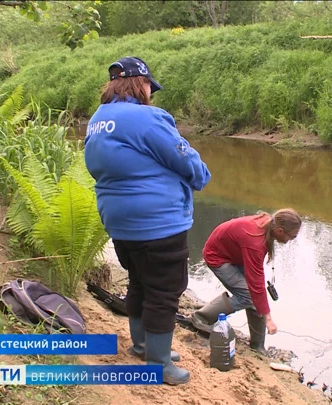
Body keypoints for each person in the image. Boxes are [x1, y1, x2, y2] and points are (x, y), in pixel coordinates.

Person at [84, 56, 211, 385]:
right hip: (158, 223)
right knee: (165, 292)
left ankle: (143, 345)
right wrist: (201, 176)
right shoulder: (148, 118)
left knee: (140, 282)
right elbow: (186, 160)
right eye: (149, 87)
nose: (150, 93)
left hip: (119, 223)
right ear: (139, 84)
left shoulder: (98, 119)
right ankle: (159, 364)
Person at [191, 209, 302, 356]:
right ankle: (200, 318)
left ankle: (258, 346)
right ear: (280, 231)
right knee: (249, 296)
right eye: (292, 237)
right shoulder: (255, 242)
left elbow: (257, 281)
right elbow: (256, 284)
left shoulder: (269, 224)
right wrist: (268, 319)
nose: (291, 240)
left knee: (255, 296)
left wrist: (263, 307)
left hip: (236, 255)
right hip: (218, 256)